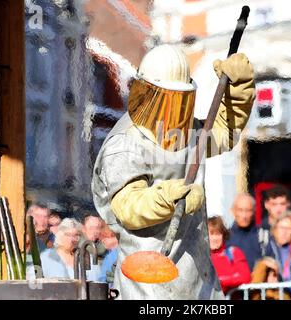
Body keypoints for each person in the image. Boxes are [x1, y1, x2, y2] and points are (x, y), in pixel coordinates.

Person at [91, 44, 255, 299]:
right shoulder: (125, 143)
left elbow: (223, 134)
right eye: (166, 99)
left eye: (179, 100)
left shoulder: (182, 131)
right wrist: (167, 197)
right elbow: (128, 206)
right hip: (147, 285)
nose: (172, 109)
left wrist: (238, 94)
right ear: (145, 94)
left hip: (198, 283)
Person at [254, 210, 291, 299]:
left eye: (289, 228)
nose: (285, 232)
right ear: (275, 228)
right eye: (282, 228)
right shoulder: (265, 247)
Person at [208, 216, 251, 297]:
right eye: (211, 234)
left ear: (223, 235)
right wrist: (231, 280)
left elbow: (245, 277)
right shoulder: (202, 258)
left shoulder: (234, 252)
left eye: (218, 234)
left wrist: (220, 281)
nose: (214, 238)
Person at [227, 193, 263, 271]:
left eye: (248, 210)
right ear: (233, 211)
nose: (244, 216)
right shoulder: (225, 237)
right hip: (233, 282)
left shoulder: (262, 236)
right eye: (240, 210)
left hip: (258, 282)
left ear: (254, 211)